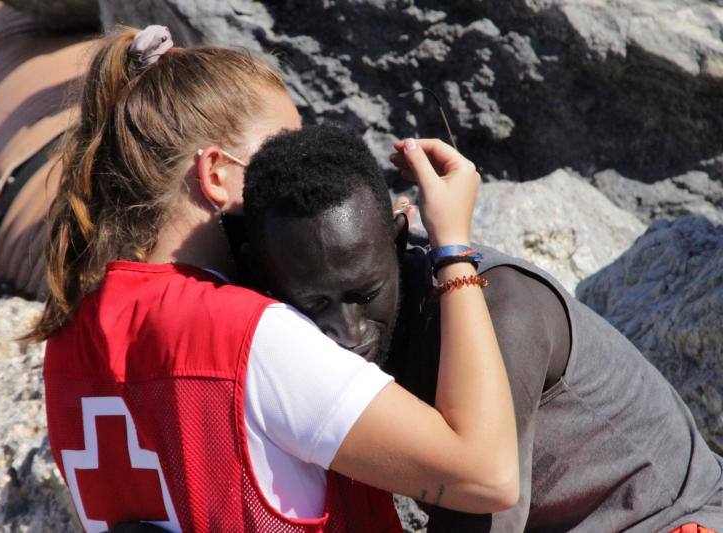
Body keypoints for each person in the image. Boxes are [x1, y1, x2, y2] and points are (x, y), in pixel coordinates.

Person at [35, 26, 519, 532]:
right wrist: (453, 250)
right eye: (279, 151)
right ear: (217, 174)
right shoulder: (253, 337)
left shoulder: (67, 339)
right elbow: (488, 475)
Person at [241, 124, 723, 532]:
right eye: (313, 304)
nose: (346, 331)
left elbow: (481, 519)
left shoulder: (500, 312)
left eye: (365, 296)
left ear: (398, 238)